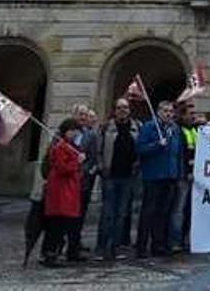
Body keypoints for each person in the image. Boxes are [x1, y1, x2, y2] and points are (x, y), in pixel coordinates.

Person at [135, 101, 184, 258]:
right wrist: (157, 145)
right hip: (153, 175)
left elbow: (179, 153)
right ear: (158, 112)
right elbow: (140, 148)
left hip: (170, 175)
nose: (168, 114)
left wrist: (179, 173)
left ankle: (158, 244)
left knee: (163, 212)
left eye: (171, 111)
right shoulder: (149, 127)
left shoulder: (175, 129)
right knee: (148, 211)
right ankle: (141, 246)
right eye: (165, 111)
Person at [96, 98, 139, 261]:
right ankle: (102, 247)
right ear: (114, 110)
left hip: (128, 176)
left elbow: (139, 150)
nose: (123, 110)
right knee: (107, 213)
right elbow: (98, 150)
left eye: (126, 108)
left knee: (122, 214)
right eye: (120, 107)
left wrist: (137, 166)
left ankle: (117, 246)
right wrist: (101, 166)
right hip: (110, 176)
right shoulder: (106, 127)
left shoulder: (136, 127)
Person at [42, 119, 85, 267]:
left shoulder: (70, 146)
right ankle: (51, 254)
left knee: (62, 224)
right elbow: (62, 168)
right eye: (74, 131)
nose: (76, 134)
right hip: (61, 190)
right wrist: (77, 162)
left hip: (68, 189)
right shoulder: (60, 147)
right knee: (57, 224)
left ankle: (55, 253)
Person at [170, 101, 200, 252]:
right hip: (183, 176)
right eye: (191, 114)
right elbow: (179, 155)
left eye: (195, 114)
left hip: (195, 177)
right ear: (183, 115)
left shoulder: (195, 130)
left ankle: (185, 238)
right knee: (178, 210)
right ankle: (175, 240)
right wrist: (185, 172)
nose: (194, 116)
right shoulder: (178, 131)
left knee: (190, 210)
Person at [71, 104, 98, 258]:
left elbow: (93, 158)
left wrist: (86, 171)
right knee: (63, 216)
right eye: (80, 114)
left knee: (79, 215)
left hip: (83, 181)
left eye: (85, 115)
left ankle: (74, 247)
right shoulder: (65, 132)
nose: (83, 117)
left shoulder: (90, 135)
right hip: (67, 182)